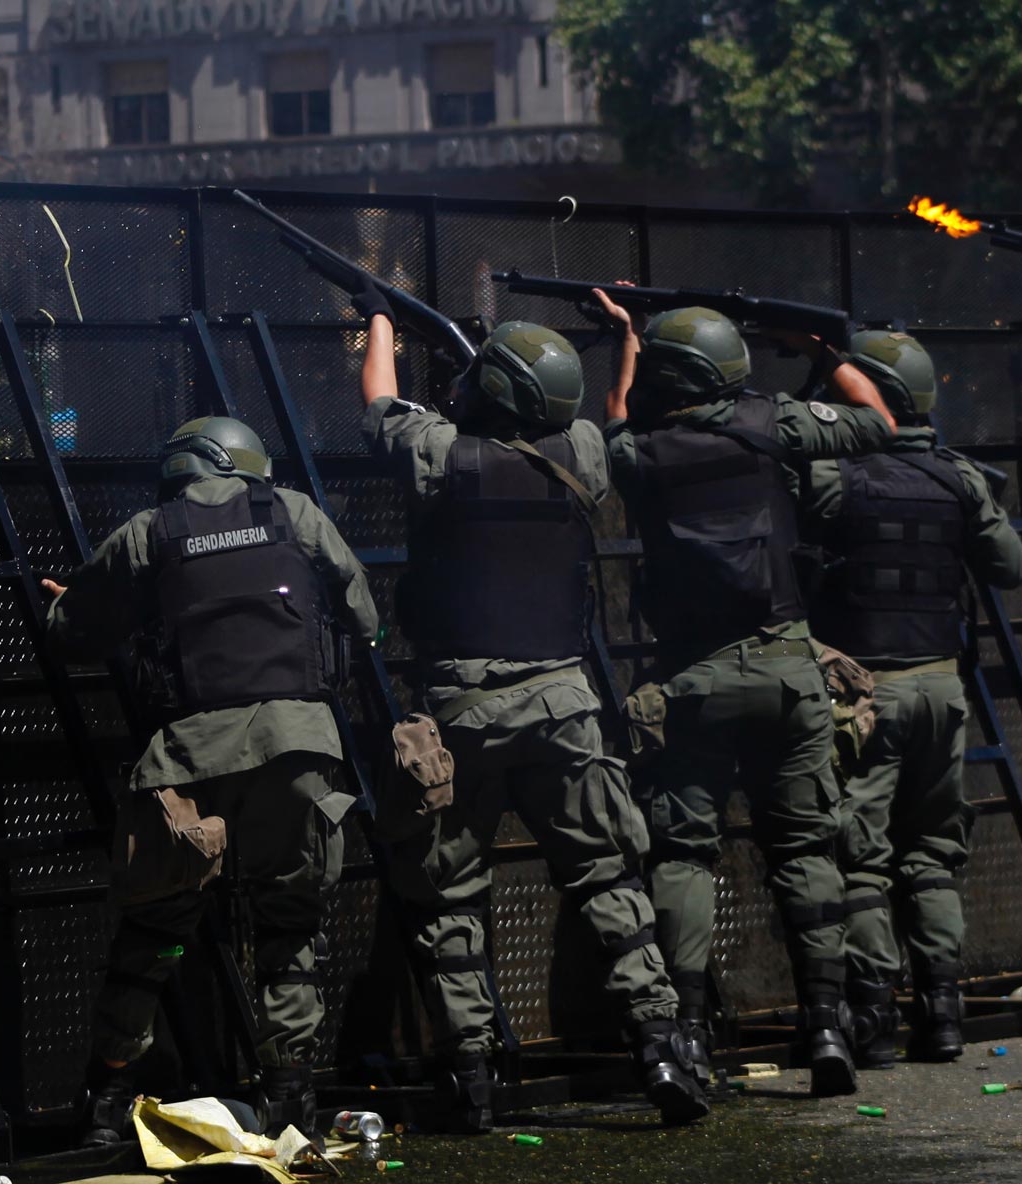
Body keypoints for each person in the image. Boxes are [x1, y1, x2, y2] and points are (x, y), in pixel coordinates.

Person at [350, 278, 710, 1127]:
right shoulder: (582, 453)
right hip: (564, 702)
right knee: (608, 881)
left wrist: (379, 317)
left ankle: (471, 1075)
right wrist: (625, 334)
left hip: (462, 705)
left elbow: (378, 401)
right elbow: (615, 407)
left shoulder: (442, 453)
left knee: (450, 894)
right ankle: (662, 1047)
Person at [46, 417, 379, 1145]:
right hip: (296, 752)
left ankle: (108, 1098)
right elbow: (361, 609)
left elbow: (74, 631)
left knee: (156, 934)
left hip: (187, 759)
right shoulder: (292, 511)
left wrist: (66, 603)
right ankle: (290, 1097)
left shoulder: (149, 531)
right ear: (244, 466)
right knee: (288, 926)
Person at [600, 291, 897, 1096]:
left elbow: (614, 421)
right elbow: (878, 422)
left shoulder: (642, 451)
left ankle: (688, 1033)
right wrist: (820, 348)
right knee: (805, 849)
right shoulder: (776, 424)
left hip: (694, 679)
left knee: (686, 853)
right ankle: (829, 1026)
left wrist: (626, 343)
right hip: (787, 669)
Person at [803, 330, 1022, 1067]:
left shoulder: (841, 476)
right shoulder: (959, 476)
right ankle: (945, 1009)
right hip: (942, 686)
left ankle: (873, 1014)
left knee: (862, 858)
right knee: (930, 854)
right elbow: (1009, 565)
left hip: (867, 695)